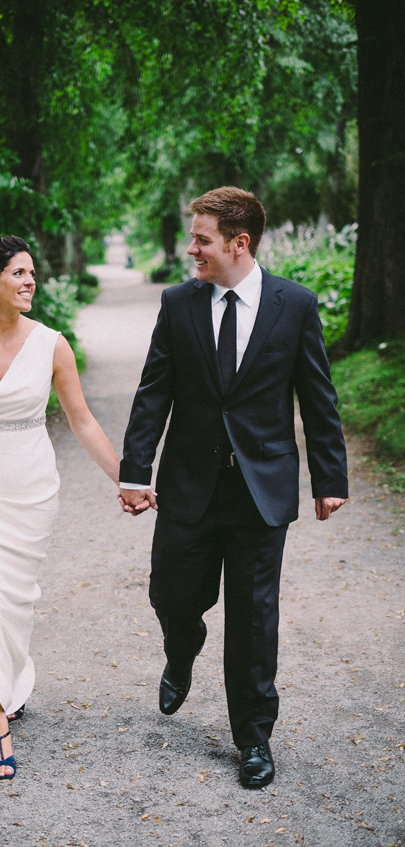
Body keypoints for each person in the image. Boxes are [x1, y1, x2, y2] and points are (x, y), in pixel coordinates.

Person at [118, 187, 347, 789]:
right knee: (171, 591)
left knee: (252, 618)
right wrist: (135, 471)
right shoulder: (179, 303)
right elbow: (153, 393)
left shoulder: (293, 305)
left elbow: (317, 397)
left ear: (239, 243)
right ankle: (181, 644)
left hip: (260, 489)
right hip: (189, 484)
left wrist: (329, 478)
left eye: (202, 239)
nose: (191, 249)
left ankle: (253, 736)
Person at [0, 236, 121, 780]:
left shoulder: (52, 345)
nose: (31, 282)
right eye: (19, 273)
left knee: (12, 604)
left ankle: (11, 681)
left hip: (30, 493)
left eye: (33, 273)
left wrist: (126, 478)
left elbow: (81, 419)